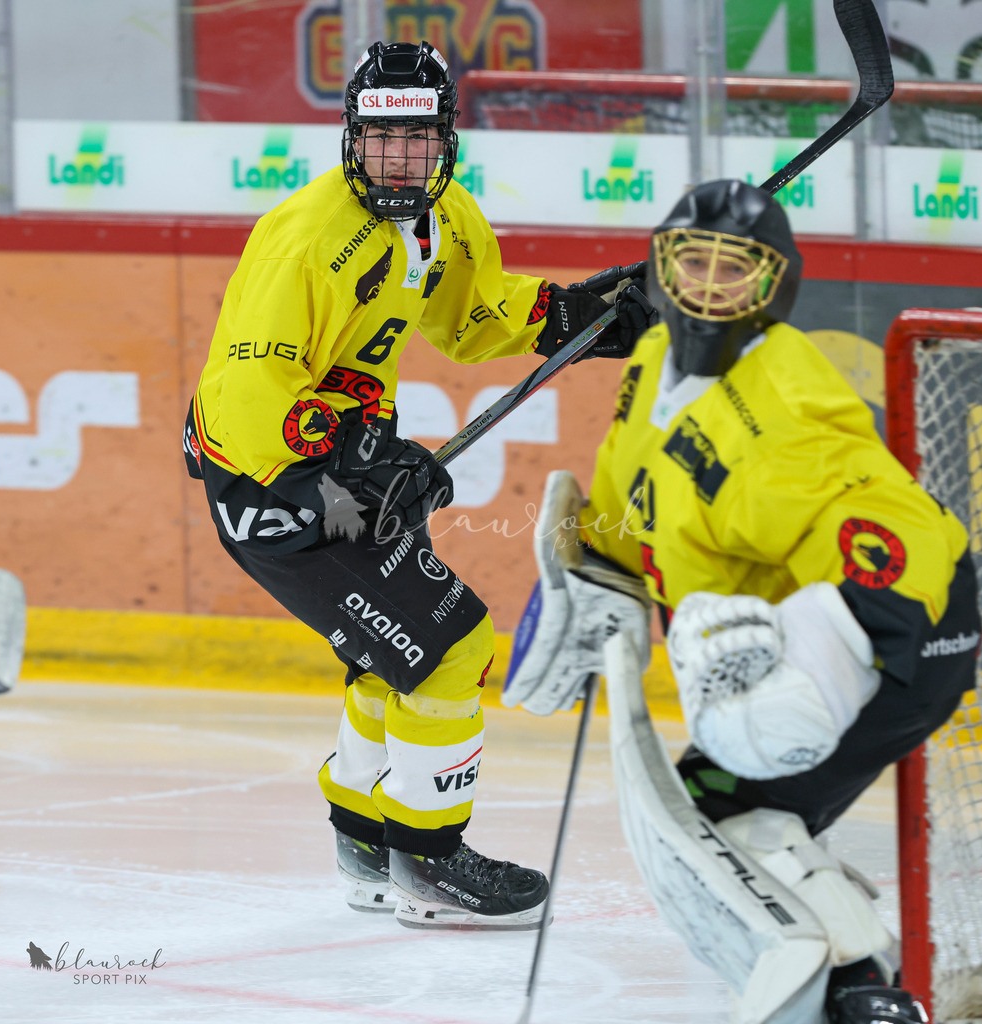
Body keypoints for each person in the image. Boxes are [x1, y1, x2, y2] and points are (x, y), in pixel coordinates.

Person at [182, 39, 655, 930]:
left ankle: (365, 841)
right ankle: (431, 862)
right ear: (351, 137)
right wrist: (350, 457)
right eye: (380, 138)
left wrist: (579, 315)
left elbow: (472, 320)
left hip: (350, 473)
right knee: (452, 647)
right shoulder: (305, 241)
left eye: (418, 139)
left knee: (388, 660)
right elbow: (244, 401)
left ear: (447, 142)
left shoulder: (447, 218)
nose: (399, 159)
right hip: (276, 486)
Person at [503, 179, 980, 1016]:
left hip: (902, 629)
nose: (708, 289)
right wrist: (597, 581)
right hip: (808, 626)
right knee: (725, 809)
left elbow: (900, 533)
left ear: (776, 285)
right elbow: (629, 492)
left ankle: (854, 991)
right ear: (659, 269)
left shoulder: (786, 405)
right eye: (693, 263)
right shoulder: (653, 360)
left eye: (736, 271)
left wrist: (817, 670)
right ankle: (861, 984)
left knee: (726, 809)